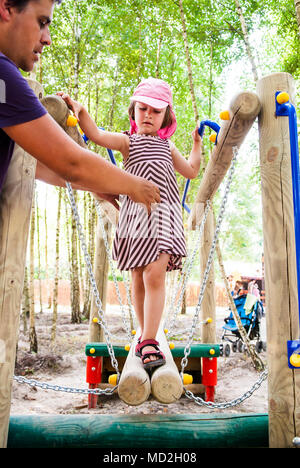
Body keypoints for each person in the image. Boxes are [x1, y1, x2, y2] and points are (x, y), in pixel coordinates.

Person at [59, 77, 202, 369]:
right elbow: (96, 135)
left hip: (164, 217)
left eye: (156, 111)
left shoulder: (167, 147)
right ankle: (143, 332)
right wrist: (80, 110)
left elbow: (190, 171)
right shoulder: (127, 141)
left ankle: (149, 339)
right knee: (137, 277)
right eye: (142, 108)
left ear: (166, 117)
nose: (148, 115)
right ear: (134, 111)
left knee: (153, 276)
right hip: (135, 221)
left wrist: (197, 144)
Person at [0, 0, 160, 212]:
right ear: (6, 8)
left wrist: (97, 184)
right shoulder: (3, 78)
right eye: (41, 22)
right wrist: (136, 185)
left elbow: (33, 168)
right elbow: (70, 162)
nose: (47, 39)